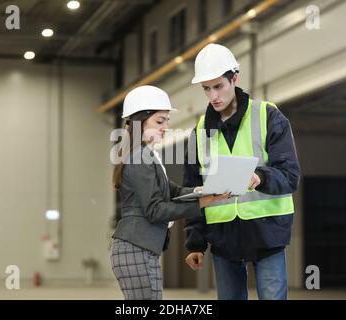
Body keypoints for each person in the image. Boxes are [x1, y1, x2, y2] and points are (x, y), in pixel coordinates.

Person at [183, 44, 300, 300]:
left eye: (218, 86)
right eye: (206, 88)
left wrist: (260, 177)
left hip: (267, 231)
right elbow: (194, 190)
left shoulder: (268, 116)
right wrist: (196, 243)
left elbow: (290, 175)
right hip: (223, 237)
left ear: (234, 78)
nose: (213, 96)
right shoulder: (199, 133)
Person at [110, 85, 229, 300]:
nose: (166, 127)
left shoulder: (147, 155)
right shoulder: (139, 158)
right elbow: (155, 210)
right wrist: (202, 203)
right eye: (160, 121)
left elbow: (171, 191)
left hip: (140, 248)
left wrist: (201, 190)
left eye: (167, 120)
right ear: (139, 121)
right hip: (136, 247)